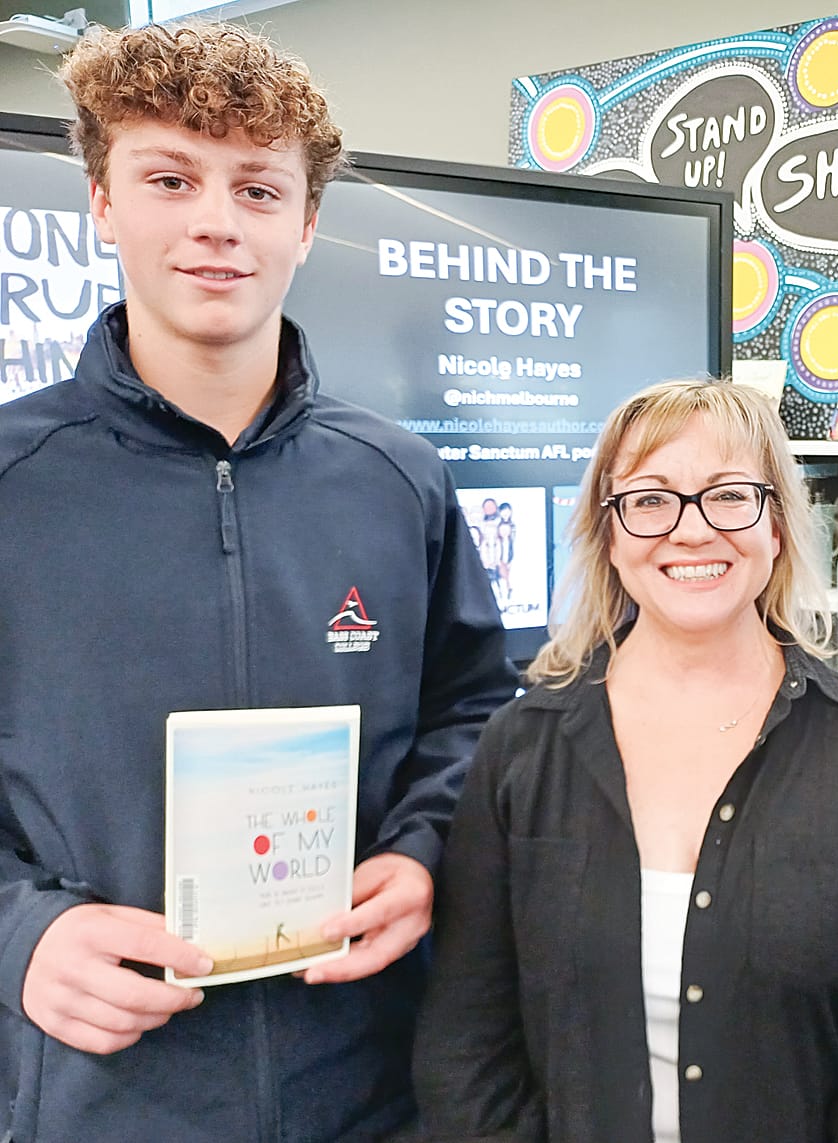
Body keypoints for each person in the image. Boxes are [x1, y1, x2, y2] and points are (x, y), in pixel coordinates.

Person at [0, 21, 516, 1142]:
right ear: (100, 201)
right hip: (100, 1101)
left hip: (373, 1089)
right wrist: (16, 934)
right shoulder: (11, 485)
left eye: (258, 188)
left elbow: (474, 707)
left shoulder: (398, 478)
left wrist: (425, 850)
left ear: (309, 220)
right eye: (170, 179)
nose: (216, 224)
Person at [412, 379, 838, 1143]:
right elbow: (467, 1038)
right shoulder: (521, 746)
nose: (692, 531)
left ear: (777, 528)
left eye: (729, 495)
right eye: (651, 499)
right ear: (609, 533)